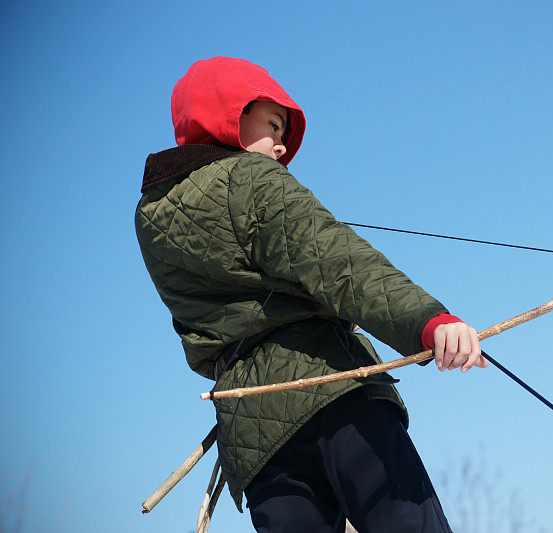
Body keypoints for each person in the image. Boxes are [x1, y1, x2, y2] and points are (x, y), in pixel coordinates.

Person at [135, 56, 488, 532]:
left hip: (251, 435)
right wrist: (427, 322)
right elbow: (338, 262)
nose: (281, 147)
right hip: (332, 394)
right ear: (228, 114)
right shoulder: (251, 180)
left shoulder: (148, 219)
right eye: (274, 125)